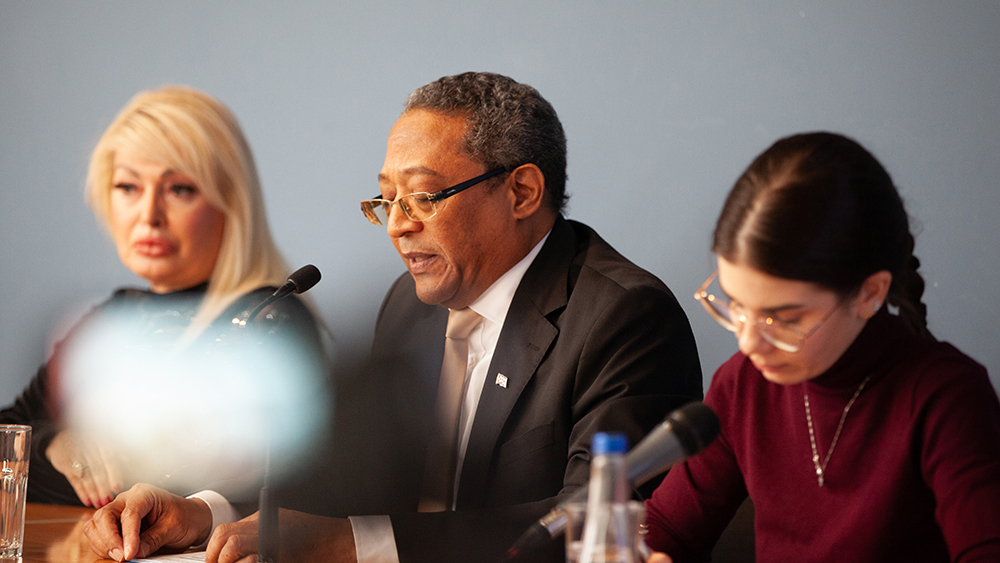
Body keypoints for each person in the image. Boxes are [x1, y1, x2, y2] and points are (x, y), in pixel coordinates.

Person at [84, 72, 703, 563]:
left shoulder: (624, 317)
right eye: (386, 199)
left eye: (423, 197)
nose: (398, 225)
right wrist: (203, 512)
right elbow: (343, 476)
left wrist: (353, 545)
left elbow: (596, 524)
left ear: (521, 192)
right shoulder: (408, 306)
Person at [643, 132, 1000, 563]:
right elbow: (666, 528)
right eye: (736, 305)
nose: (748, 342)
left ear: (869, 294)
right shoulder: (743, 385)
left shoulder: (946, 398)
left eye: (783, 319)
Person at [0, 86, 327, 511]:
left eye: (180, 189)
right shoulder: (111, 318)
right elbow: (9, 434)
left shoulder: (270, 317)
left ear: (231, 203)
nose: (149, 214)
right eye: (127, 187)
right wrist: (54, 443)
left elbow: (267, 494)